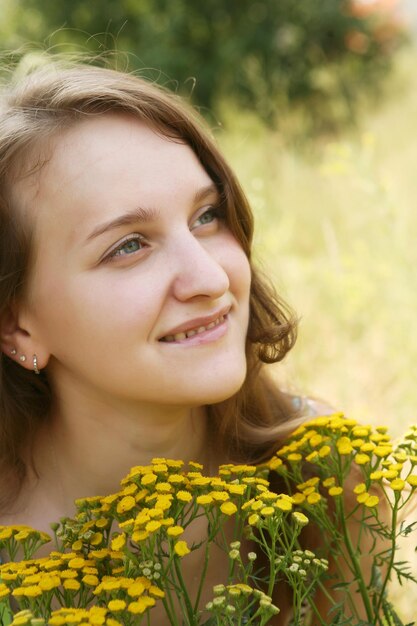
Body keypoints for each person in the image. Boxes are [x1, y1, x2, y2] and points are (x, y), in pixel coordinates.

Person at [0, 58, 373, 625]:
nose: (212, 278)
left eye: (207, 215)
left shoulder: (328, 477)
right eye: (128, 246)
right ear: (15, 324)